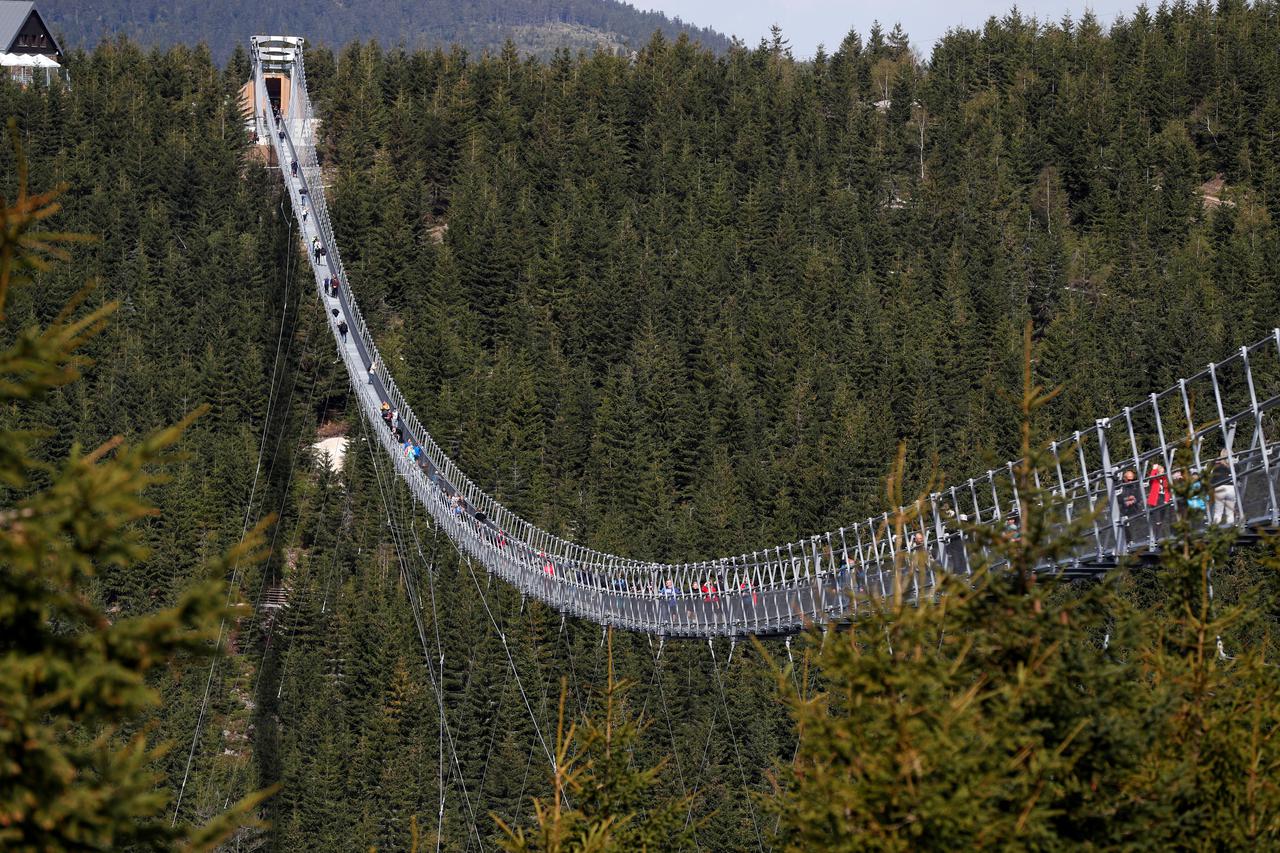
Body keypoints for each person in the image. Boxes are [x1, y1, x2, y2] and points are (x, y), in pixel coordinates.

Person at [1211, 453, 1237, 524]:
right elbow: (1238, 476)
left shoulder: (1217, 467)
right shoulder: (1232, 466)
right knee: (1230, 512)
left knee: (1218, 512)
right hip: (1231, 487)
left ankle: (1215, 528)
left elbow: (1212, 479)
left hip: (1220, 488)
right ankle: (1230, 528)